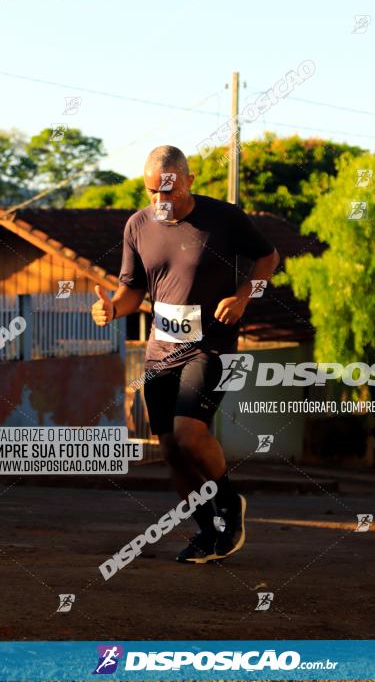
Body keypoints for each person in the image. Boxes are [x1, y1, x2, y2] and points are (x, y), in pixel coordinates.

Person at [91, 145, 280, 562]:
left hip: (213, 346)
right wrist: (111, 309)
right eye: (152, 191)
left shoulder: (224, 219)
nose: (160, 200)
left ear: (189, 182)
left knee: (189, 432)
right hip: (161, 350)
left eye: (169, 192)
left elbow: (269, 257)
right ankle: (207, 530)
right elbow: (132, 291)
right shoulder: (138, 225)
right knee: (172, 451)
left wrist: (245, 295)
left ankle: (230, 506)